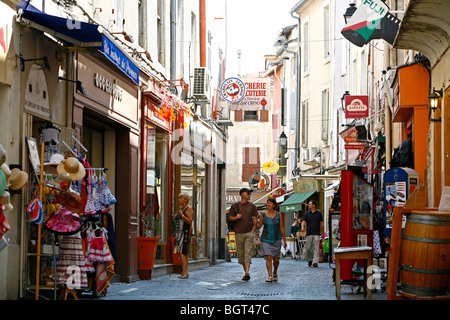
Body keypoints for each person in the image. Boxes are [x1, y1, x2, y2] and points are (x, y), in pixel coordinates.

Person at [227, 188, 258, 281]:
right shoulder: (235, 206)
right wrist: (236, 217)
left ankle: (247, 273)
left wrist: (253, 231)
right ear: (242, 194)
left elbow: (255, 219)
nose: (249, 195)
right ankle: (246, 272)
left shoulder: (252, 206)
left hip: (249, 233)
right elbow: (230, 218)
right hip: (238, 233)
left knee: (247, 253)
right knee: (241, 255)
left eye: (250, 193)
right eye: (248, 193)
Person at [257, 198, 286, 282]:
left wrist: (284, 240)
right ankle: (270, 276)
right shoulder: (263, 215)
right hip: (265, 239)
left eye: (270, 203)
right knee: (268, 256)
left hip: (276, 239)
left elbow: (282, 227)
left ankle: (275, 272)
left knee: (276, 259)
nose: (268, 204)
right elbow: (259, 226)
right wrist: (255, 222)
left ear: (274, 205)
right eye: (267, 203)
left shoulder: (278, 215)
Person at [174, 193, 194, 279]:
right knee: (180, 251)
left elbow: (190, 221)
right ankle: (184, 271)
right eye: (179, 198)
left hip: (185, 232)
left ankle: (185, 271)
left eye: (181, 198)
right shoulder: (182, 209)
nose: (179, 200)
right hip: (180, 232)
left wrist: (181, 215)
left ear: (186, 200)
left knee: (182, 251)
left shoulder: (189, 209)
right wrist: (177, 216)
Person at [301, 200, 323, 267]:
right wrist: (302, 227)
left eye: (310, 204)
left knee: (316, 247)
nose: (308, 205)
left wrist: (323, 231)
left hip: (316, 233)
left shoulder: (319, 213)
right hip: (309, 233)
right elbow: (303, 221)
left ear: (314, 205)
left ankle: (315, 262)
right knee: (308, 248)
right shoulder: (307, 213)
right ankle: (310, 259)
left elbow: (322, 223)